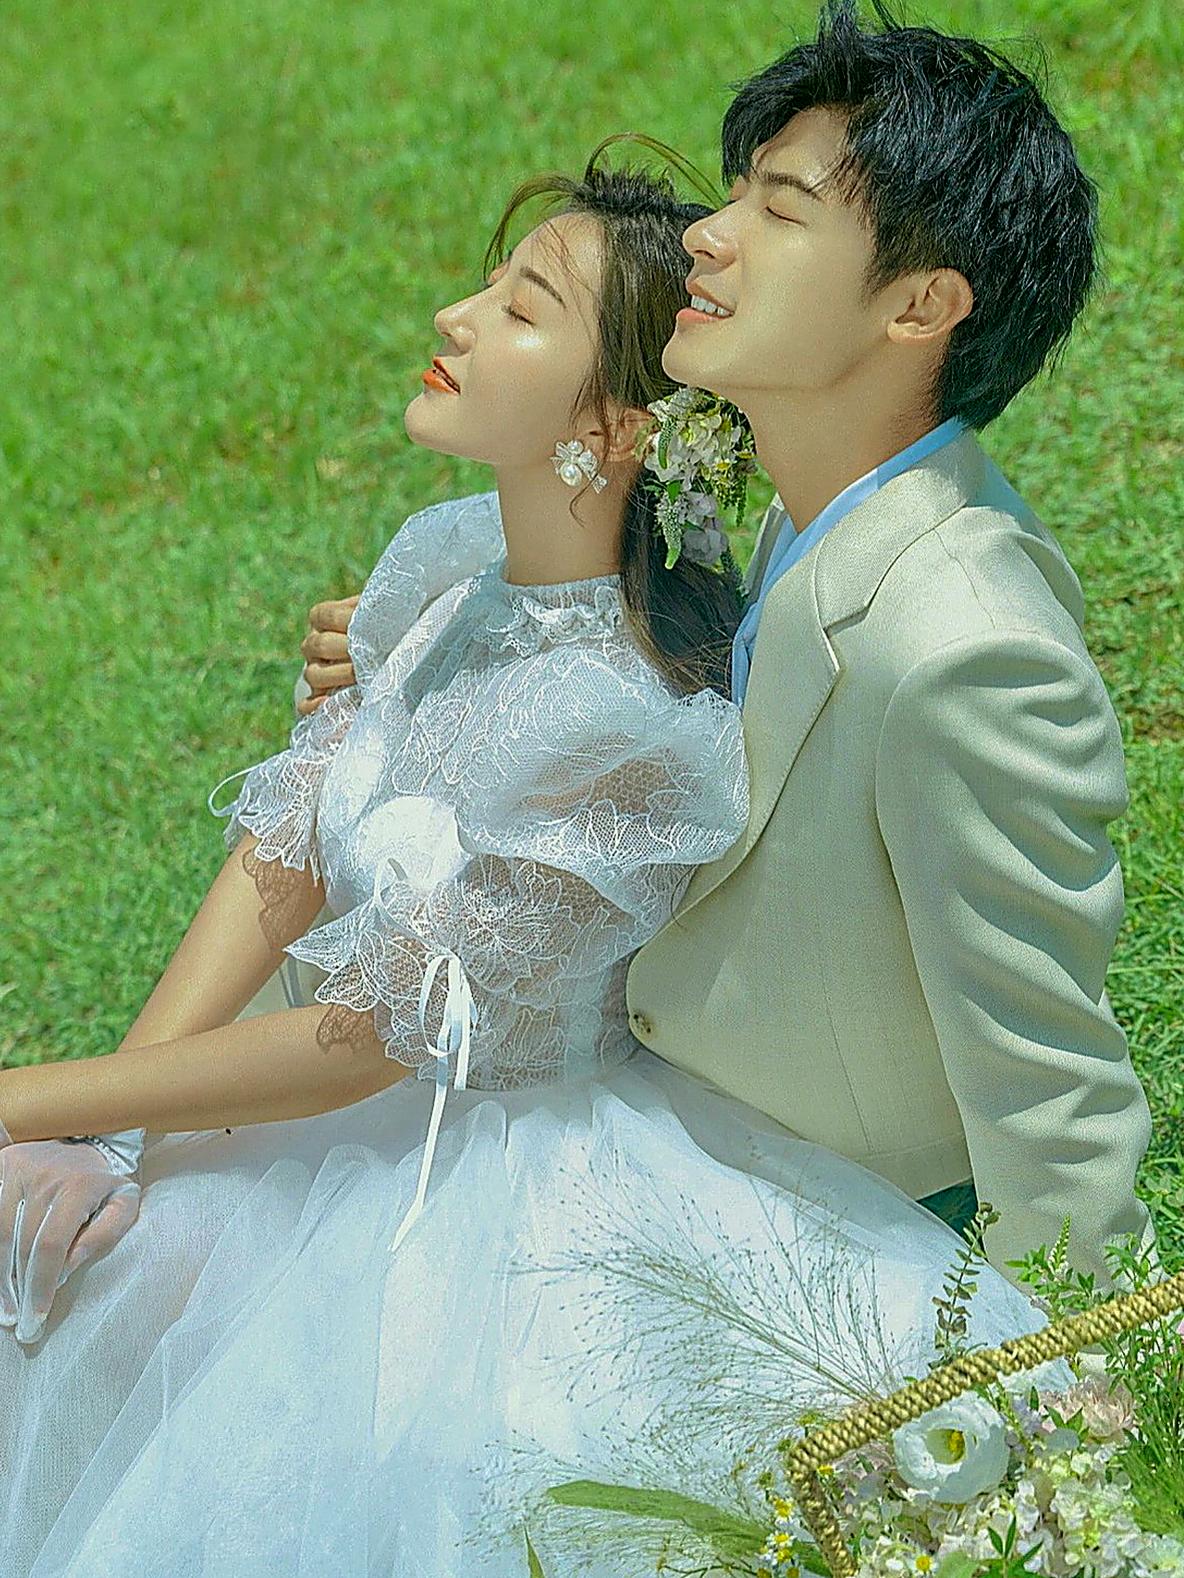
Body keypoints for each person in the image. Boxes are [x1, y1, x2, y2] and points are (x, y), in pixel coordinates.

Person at [0, 144, 1051, 1576]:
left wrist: (24, 1095)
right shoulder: (439, 566)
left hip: (497, 1191)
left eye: (521, 307)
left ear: (613, 427)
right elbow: (293, 837)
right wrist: (104, 1126)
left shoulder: (624, 720)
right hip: (329, 1118)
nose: (456, 316)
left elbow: (374, 1036)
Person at [295, 0, 1159, 1286]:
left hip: (825, 1241)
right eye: (738, 191)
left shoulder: (965, 651)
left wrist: (1081, 1381)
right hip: (654, 1152)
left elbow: (1049, 1088)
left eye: (780, 209)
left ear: (919, 305)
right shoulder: (800, 511)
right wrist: (431, 664)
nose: (707, 232)